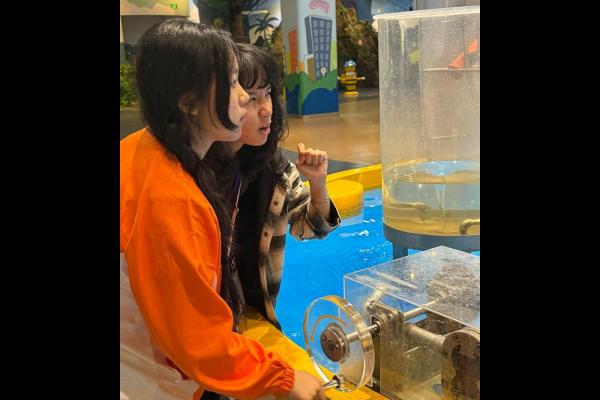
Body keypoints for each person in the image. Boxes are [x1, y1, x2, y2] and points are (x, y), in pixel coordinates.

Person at [120, 19, 325, 400]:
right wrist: (281, 378)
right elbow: (196, 339)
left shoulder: (143, 149)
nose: (248, 100)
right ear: (188, 104)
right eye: (233, 83)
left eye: (265, 93)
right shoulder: (171, 197)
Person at [205, 43, 341, 330]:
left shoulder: (274, 167)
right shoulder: (198, 171)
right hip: (207, 318)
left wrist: (317, 182)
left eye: (268, 94)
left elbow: (311, 228)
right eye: (252, 98)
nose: (267, 110)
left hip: (251, 312)